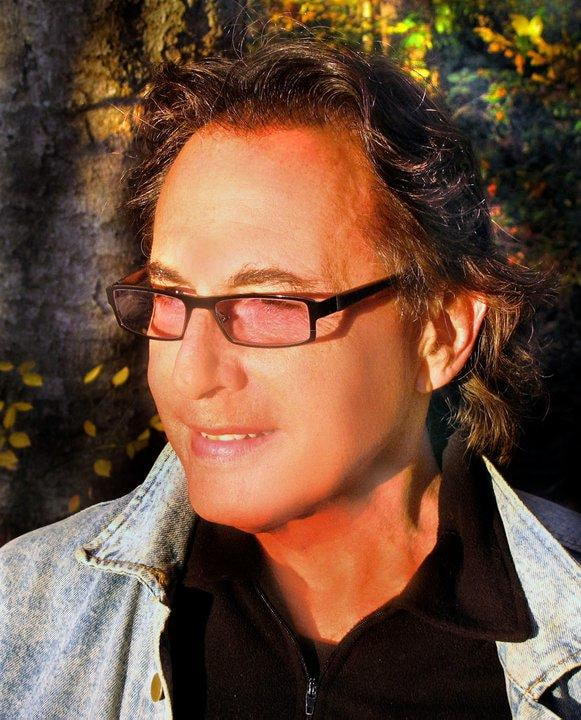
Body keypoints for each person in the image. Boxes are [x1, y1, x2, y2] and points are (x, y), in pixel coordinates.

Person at [1, 34, 579, 720]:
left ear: (440, 334)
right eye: (170, 297)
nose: (191, 374)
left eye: (269, 303)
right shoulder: (27, 611)